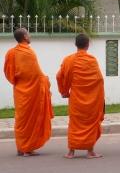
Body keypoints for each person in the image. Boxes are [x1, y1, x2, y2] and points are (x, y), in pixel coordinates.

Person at [3, 28, 53, 157]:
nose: (30, 36)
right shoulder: (29, 53)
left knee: (21, 120)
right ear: (25, 36)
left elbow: (8, 73)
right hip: (31, 93)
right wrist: (46, 81)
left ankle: (22, 148)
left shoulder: (11, 53)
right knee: (28, 120)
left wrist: (18, 82)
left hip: (20, 91)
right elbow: (36, 74)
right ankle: (26, 148)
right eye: (28, 34)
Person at [56, 34, 105, 159]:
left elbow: (59, 76)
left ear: (75, 44)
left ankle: (71, 152)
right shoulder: (92, 60)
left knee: (75, 124)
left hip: (76, 98)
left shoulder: (69, 60)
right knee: (90, 123)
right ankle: (90, 152)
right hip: (92, 99)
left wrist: (64, 91)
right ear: (88, 45)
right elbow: (99, 79)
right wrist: (99, 98)